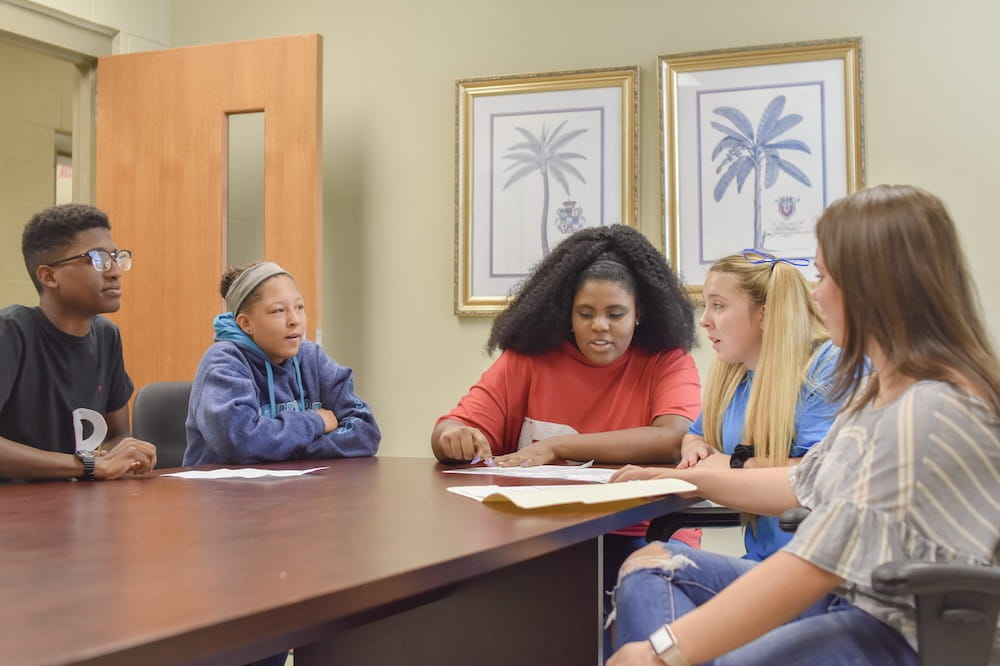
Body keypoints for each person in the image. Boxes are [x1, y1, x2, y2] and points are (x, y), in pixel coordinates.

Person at [606, 185, 1000, 665]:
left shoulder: (928, 409)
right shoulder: (879, 398)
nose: (816, 293)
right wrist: (682, 475)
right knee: (652, 571)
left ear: (871, 286)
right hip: (851, 603)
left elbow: (814, 565)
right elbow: (801, 482)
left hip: (900, 633)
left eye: (825, 276)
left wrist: (661, 650)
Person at [430, 224, 701, 660]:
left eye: (615, 314)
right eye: (585, 313)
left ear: (639, 313)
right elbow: (451, 428)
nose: (599, 326)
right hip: (543, 537)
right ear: (566, 313)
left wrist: (558, 447)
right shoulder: (528, 360)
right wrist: (455, 437)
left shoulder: (668, 362)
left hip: (642, 533)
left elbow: (672, 438)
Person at [676, 250, 843, 560]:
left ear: (765, 315)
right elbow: (696, 433)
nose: (704, 320)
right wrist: (694, 450)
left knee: (656, 567)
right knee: (658, 559)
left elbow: (818, 473)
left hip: (810, 567)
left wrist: (730, 465)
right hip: (760, 562)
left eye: (718, 306)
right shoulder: (736, 376)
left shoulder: (825, 366)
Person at [0, 204, 157, 482]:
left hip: (75, 506)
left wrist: (124, 454)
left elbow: (116, 435)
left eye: (115, 257)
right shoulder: (11, 331)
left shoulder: (107, 336)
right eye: (97, 259)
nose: (114, 272)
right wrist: (87, 465)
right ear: (49, 276)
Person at [184, 261, 381, 466]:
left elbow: (366, 431)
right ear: (246, 323)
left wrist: (281, 446)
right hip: (224, 494)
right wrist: (317, 421)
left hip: (297, 492)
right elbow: (241, 442)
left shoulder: (312, 357)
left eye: (299, 307)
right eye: (279, 310)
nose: (294, 320)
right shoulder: (224, 362)